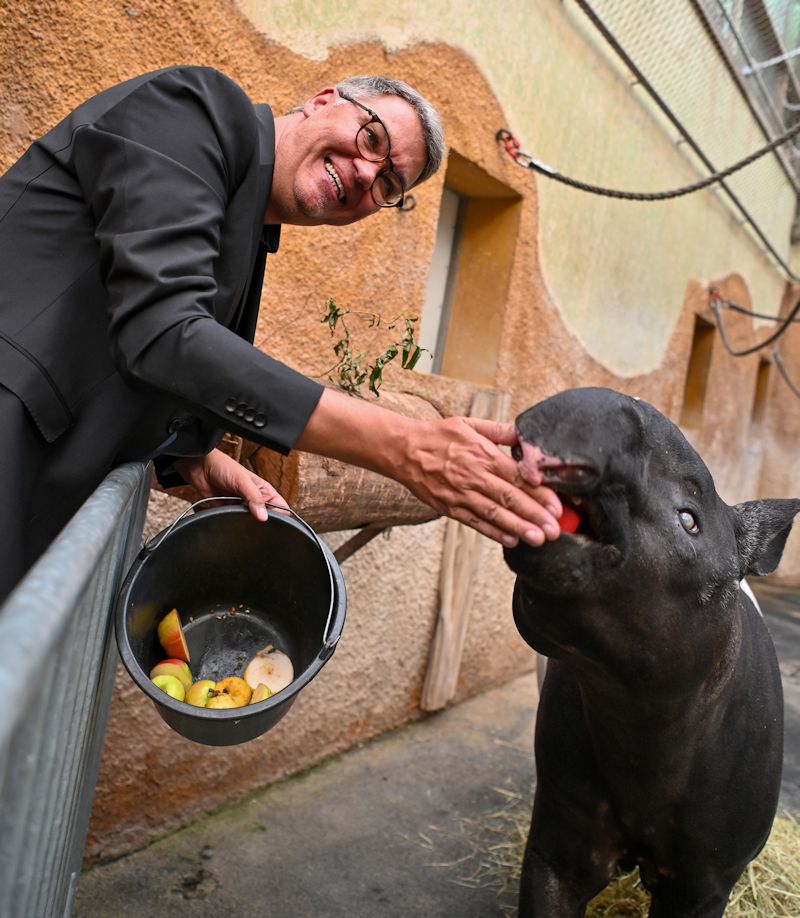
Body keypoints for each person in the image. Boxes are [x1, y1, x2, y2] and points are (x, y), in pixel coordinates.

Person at [0, 66, 562, 604]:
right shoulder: (199, 108)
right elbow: (163, 333)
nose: (369, 174)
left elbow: (148, 361)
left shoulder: (250, 228)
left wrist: (195, 459)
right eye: (372, 139)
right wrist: (407, 445)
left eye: (390, 182)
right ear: (322, 101)